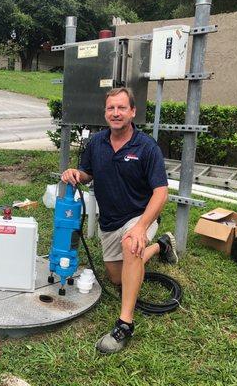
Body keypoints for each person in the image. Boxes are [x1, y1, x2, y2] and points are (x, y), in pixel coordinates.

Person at [61, 87, 177, 354]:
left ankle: (125, 324)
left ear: (132, 112)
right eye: (111, 108)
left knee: (131, 245)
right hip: (110, 221)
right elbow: (87, 174)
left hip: (139, 216)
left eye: (121, 108)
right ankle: (161, 246)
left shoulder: (146, 147)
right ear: (105, 112)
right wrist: (75, 173)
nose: (116, 113)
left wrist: (140, 226)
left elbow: (161, 192)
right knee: (117, 278)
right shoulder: (97, 143)